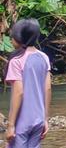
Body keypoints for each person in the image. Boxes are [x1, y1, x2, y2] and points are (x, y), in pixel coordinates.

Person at [5, 18, 51, 148]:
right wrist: (45, 119)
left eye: (12, 36)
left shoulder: (16, 61)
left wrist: (11, 125)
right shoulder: (44, 57)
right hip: (39, 119)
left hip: (22, 121)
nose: (11, 39)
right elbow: (47, 89)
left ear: (19, 38)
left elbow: (18, 92)